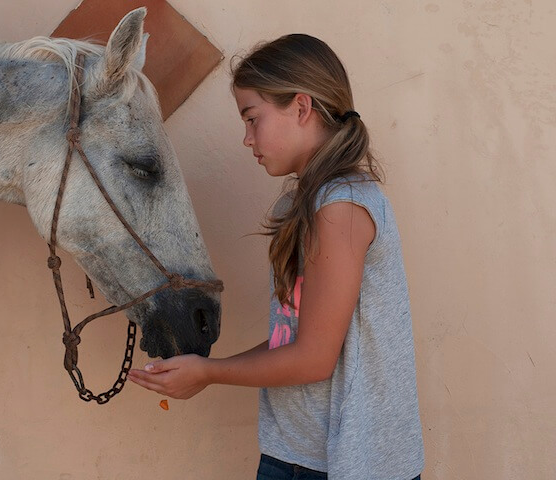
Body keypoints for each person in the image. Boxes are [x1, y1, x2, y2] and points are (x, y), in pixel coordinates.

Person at [127, 33, 424, 480]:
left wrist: (208, 373)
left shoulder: (340, 206)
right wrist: (203, 369)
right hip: (292, 454)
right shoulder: (301, 204)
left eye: (252, 118)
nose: (247, 139)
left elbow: (314, 358)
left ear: (301, 108)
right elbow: (294, 340)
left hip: (352, 464)